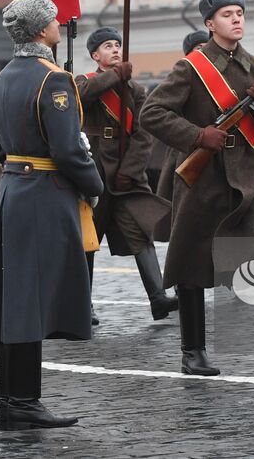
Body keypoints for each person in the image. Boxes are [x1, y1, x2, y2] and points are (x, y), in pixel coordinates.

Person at [142, 0, 254, 375]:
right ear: (210, 24)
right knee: (192, 265)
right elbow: (152, 113)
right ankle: (193, 351)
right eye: (227, 14)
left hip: (250, 176)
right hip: (203, 179)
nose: (236, 19)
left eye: (240, 12)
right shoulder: (191, 68)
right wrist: (197, 136)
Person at [0, 0, 105, 430]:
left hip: (12, 190)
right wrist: (94, 188)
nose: (60, 24)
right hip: (44, 193)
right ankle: (22, 401)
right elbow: (69, 150)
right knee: (30, 302)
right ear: (41, 29)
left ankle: (14, 400)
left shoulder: (0, 79)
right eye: (54, 19)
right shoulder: (52, 79)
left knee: (15, 299)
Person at [75, 26, 176, 321]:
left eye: (118, 45)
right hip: (93, 173)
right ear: (95, 55)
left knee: (141, 235)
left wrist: (129, 170)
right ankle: (82, 306)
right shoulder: (85, 81)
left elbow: (144, 135)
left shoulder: (135, 90)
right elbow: (81, 97)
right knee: (88, 242)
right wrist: (114, 77)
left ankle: (158, 299)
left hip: (125, 176)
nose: (115, 50)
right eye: (108, 46)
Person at [153, 30, 210, 202]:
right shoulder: (184, 75)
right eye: (199, 47)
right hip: (187, 150)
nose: (205, 50)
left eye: (208, 47)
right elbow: (157, 113)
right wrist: (196, 135)